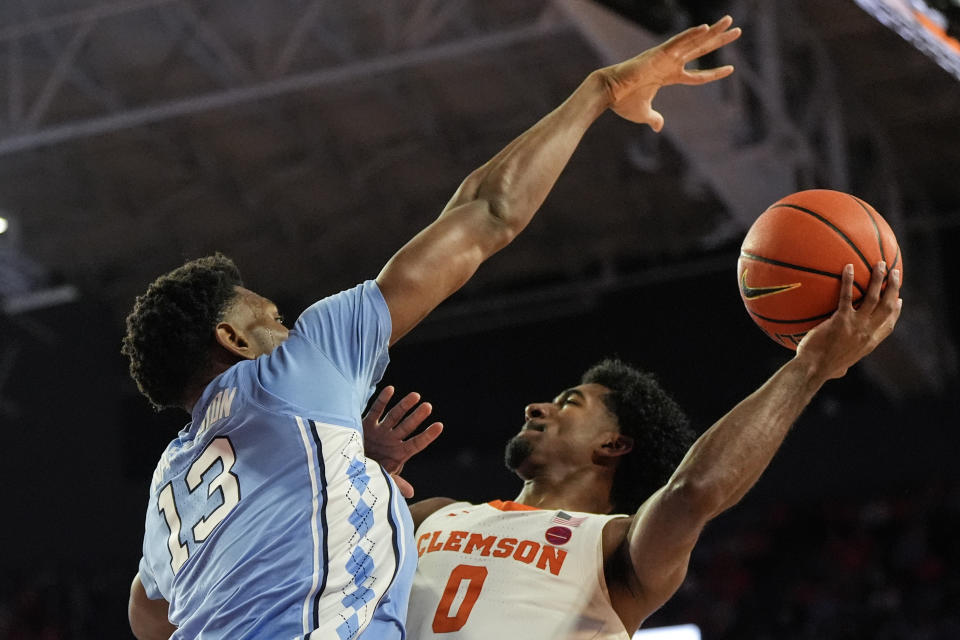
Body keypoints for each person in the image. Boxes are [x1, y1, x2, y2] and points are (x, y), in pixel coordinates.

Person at [123, 16, 744, 640]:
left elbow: (148, 619)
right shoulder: (301, 368)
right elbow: (488, 214)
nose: (289, 329)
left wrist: (336, 476)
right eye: (274, 321)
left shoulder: (169, 482)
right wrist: (602, 89)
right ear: (233, 340)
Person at [375, 262, 902, 638]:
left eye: (570, 403)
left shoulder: (616, 546)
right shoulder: (432, 515)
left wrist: (808, 369)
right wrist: (358, 482)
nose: (538, 408)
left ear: (614, 444)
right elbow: (316, 578)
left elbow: (693, 492)